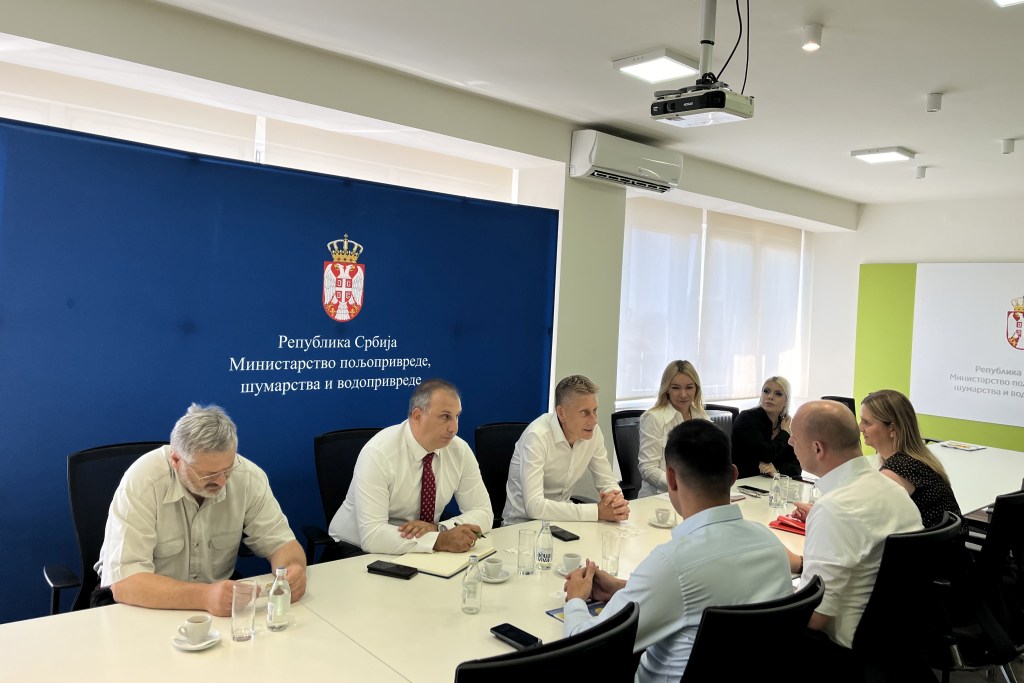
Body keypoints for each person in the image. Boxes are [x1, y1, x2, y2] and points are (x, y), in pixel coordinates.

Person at [562, 420, 794, 682]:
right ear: (733, 475)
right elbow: (703, 594)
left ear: (670, 478)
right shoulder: (771, 544)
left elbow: (586, 647)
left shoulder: (673, 565)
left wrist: (576, 600)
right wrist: (623, 588)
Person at [95, 404, 306, 616]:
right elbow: (125, 583)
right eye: (209, 474)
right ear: (176, 460)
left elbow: (281, 542)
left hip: (216, 602)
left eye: (228, 469)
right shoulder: (143, 482)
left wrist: (293, 569)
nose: (222, 481)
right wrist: (204, 597)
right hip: (144, 602)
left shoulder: (248, 477)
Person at [786, 400, 922, 650]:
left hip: (841, 646)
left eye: (794, 437)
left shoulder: (834, 508)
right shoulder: (894, 490)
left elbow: (814, 617)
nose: (789, 442)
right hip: (896, 636)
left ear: (817, 448)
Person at [329, 379, 492, 554]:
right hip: (354, 549)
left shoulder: (459, 450)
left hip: (421, 546)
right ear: (417, 416)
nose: (454, 428)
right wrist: (439, 540)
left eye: (457, 416)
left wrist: (438, 529)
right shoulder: (378, 453)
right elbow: (373, 536)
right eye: (445, 417)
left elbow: (483, 512)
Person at [502, 374, 629, 525]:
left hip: (565, 521)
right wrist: (597, 511)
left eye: (594, 410)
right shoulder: (537, 436)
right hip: (523, 526)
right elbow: (534, 506)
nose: (594, 420)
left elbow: (606, 481)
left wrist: (616, 502)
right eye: (585, 412)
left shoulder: (593, 433)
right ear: (561, 413)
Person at [860, 389, 962, 529]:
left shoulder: (899, 470)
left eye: (867, 422)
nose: (860, 428)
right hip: (946, 541)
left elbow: (867, 520)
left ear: (892, 429)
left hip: (929, 543)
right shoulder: (916, 460)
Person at [636, 360, 710, 496]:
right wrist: (682, 485)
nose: (683, 394)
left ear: (696, 389)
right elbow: (647, 468)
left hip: (697, 494)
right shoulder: (654, 418)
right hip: (660, 496)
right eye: (676, 388)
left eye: (689, 387)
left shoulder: (702, 416)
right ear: (667, 389)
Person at [731, 375, 801, 479]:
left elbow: (796, 467)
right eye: (766, 391)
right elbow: (765, 454)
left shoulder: (784, 423)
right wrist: (785, 433)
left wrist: (777, 470)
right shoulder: (747, 418)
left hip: (771, 483)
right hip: (744, 481)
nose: (770, 397)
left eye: (778, 394)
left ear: (786, 401)